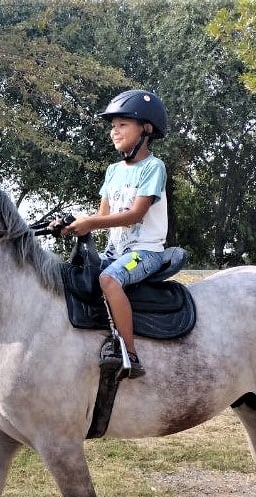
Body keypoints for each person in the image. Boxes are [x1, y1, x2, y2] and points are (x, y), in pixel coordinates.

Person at [63, 89, 169, 378]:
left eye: (123, 125)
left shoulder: (153, 167)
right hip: (115, 251)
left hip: (143, 253)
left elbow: (136, 214)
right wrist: (73, 224)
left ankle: (130, 355)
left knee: (109, 279)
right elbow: (103, 215)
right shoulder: (112, 171)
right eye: (112, 127)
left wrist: (91, 224)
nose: (114, 132)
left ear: (146, 129)